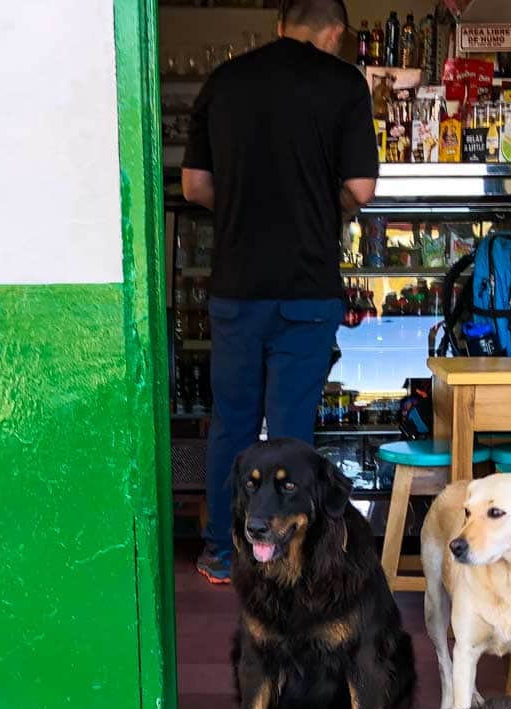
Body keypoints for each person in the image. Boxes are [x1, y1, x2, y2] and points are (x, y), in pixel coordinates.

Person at [183, 0, 379, 585]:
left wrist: (245, 204)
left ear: (280, 25)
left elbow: (195, 186)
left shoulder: (224, 80)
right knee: (292, 433)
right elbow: (361, 189)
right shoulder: (344, 83)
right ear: (336, 32)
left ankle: (222, 553)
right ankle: (291, 558)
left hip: (237, 288)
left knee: (233, 426)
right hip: (307, 287)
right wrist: (322, 208)